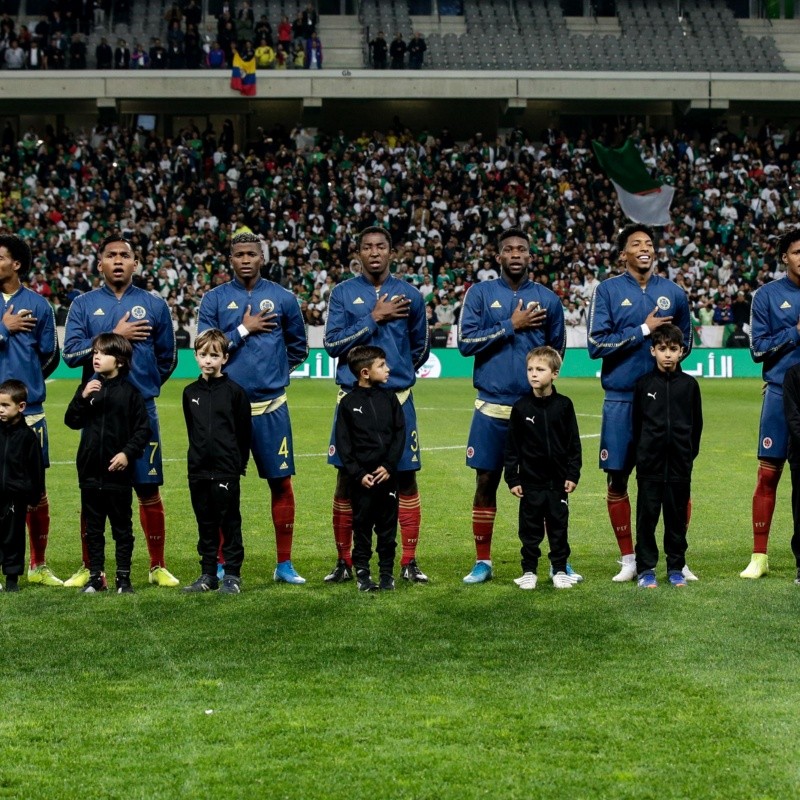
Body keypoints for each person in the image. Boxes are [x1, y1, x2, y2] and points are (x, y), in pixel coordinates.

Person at [62, 234, 179, 588]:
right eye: (110, 255)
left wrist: (143, 386)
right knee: (94, 489)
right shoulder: (83, 304)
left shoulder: (155, 305)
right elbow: (70, 355)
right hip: (98, 411)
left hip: (141, 409)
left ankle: (156, 565)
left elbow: (168, 357)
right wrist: (115, 333)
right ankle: (89, 566)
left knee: (147, 486)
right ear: (100, 264)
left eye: (124, 255)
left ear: (135, 264)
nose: (117, 260)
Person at [458, 227, 570, 584]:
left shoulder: (549, 299)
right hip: (492, 406)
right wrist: (511, 324)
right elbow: (465, 343)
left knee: (546, 487)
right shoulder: (480, 294)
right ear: (499, 257)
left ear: (530, 255)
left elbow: (556, 352)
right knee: (486, 480)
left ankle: (557, 561)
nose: (516, 254)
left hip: (535, 411)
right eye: (509, 249)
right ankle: (483, 561)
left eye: (522, 248)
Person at [196, 232, 308, 585]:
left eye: (252, 254)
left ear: (263, 258)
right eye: (239, 254)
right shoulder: (214, 299)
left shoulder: (283, 298)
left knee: (281, 483)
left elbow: (299, 348)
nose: (245, 259)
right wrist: (244, 328)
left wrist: (275, 372)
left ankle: (285, 563)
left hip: (272, 407)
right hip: (226, 411)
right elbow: (206, 347)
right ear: (231, 259)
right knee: (222, 487)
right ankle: (219, 563)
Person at [586, 223, 695, 583]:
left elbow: (687, 343)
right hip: (620, 399)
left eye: (649, 243)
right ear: (624, 254)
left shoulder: (674, 293)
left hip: (663, 403)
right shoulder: (607, 291)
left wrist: (666, 370)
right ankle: (629, 558)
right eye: (636, 244)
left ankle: (679, 559)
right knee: (618, 479)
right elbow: (595, 346)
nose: (645, 248)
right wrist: (643, 331)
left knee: (676, 481)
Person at [323, 226, 430, 584]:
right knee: (346, 478)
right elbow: (333, 344)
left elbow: (420, 348)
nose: (374, 252)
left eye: (380, 246)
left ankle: (409, 561)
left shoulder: (411, 295)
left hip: (397, 399)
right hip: (352, 401)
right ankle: (344, 561)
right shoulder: (342, 293)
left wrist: (396, 371)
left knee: (406, 477)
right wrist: (375, 317)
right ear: (358, 253)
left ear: (390, 252)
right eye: (367, 247)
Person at [64, 334, 151, 594]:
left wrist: (127, 453)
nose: (96, 357)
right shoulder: (90, 388)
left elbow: (142, 430)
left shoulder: (131, 394)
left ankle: (123, 578)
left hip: (118, 475)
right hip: (90, 472)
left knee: (122, 528)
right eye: (95, 353)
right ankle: (95, 577)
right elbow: (72, 421)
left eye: (102, 353)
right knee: (93, 529)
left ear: (121, 361)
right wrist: (82, 396)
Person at [0, 234, 61, 586]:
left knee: (36, 489)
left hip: (31, 413)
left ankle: (38, 564)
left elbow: (50, 355)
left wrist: (26, 387)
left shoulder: (39, 306)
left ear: (17, 264)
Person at [741, 228, 800, 578]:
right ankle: (759, 555)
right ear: (785, 257)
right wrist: (795, 331)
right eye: (797, 252)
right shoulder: (766, 295)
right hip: (780, 393)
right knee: (768, 476)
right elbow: (757, 349)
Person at [503, 347, 581, 590]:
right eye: (530, 369)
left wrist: (572, 473)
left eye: (540, 369)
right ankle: (528, 571)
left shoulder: (565, 406)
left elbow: (574, 444)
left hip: (558, 483)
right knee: (530, 530)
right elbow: (512, 447)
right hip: (530, 483)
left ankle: (559, 569)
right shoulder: (521, 407)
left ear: (554, 374)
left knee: (559, 529)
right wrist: (513, 478)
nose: (533, 374)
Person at [631, 324, 703, 588]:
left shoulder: (690, 386)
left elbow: (697, 426)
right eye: (662, 349)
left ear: (682, 351)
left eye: (673, 349)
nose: (668, 354)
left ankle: (675, 566)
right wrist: (644, 454)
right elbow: (636, 425)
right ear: (653, 351)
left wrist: (686, 455)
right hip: (650, 466)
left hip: (679, 466)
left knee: (676, 519)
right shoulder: (643, 385)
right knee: (646, 519)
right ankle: (646, 568)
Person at [182, 329, 251, 595]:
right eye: (203, 355)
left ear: (225, 358)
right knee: (205, 524)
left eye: (214, 355)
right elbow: (192, 430)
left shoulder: (235, 392)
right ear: (196, 356)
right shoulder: (189, 393)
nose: (208, 360)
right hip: (198, 470)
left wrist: (238, 465)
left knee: (229, 522)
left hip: (226, 469)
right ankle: (208, 574)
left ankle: (232, 574)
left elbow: (244, 432)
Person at [335, 345, 405, 592]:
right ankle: (363, 574)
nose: (388, 369)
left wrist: (389, 465)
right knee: (362, 528)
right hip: (362, 480)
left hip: (387, 477)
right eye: (382, 365)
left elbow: (400, 434)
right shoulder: (348, 403)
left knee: (387, 529)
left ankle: (387, 574)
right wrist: (358, 473)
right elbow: (344, 444)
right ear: (365, 372)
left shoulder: (390, 398)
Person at [0, 380, 45, 592]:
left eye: (5, 405)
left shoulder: (28, 438)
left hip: (15, 498)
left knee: (14, 537)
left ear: (21, 407)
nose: (0, 409)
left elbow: (36, 471)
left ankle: (11, 578)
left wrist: (34, 497)